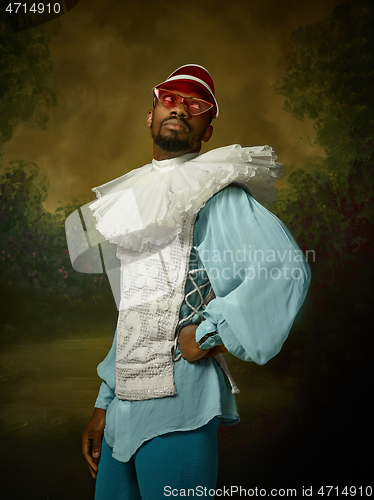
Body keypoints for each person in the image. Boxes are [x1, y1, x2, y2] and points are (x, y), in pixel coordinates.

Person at [76, 64, 311, 499]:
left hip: (180, 408)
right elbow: (136, 311)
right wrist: (103, 403)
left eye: (196, 105)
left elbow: (285, 268)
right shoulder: (135, 197)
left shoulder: (217, 192)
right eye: (170, 99)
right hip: (120, 416)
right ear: (150, 116)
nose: (180, 109)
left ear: (207, 130)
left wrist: (208, 333)